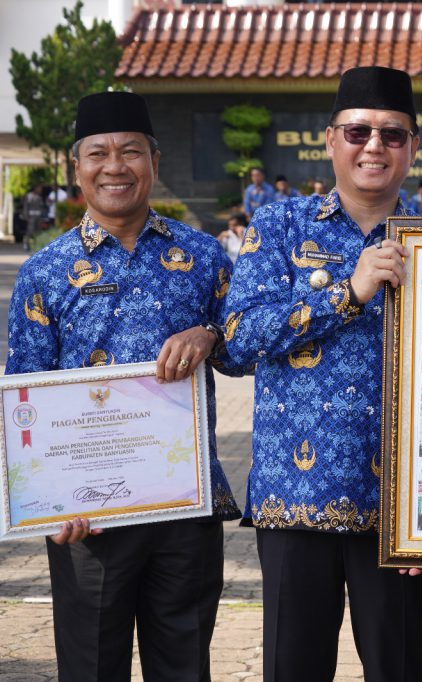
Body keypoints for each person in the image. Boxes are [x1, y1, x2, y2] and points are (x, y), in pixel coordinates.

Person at [6, 90, 241, 681]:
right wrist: (46, 502)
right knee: (91, 666)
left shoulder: (204, 255)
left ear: (155, 162)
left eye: (131, 152)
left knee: (184, 666)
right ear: (78, 166)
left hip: (185, 502)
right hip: (89, 515)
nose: (115, 166)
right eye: (99, 153)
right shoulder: (46, 270)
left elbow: (247, 353)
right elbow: (25, 394)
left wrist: (211, 334)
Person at [223, 66, 422, 682]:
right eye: (359, 131)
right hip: (296, 501)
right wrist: (349, 291)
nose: (375, 146)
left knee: (400, 670)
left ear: (413, 147)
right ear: (330, 140)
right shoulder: (281, 227)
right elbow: (237, 342)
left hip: (401, 513)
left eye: (393, 135)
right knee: (293, 668)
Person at [19, 184, 46, 250]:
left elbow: (41, 207)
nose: (40, 190)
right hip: (31, 216)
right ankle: (26, 244)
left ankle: (36, 245)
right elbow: (26, 207)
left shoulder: (39, 197)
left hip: (38, 216)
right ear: (35, 188)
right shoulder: (29, 196)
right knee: (30, 231)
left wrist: (42, 216)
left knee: (37, 232)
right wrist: (26, 216)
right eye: (39, 188)